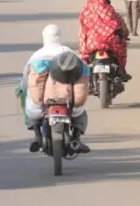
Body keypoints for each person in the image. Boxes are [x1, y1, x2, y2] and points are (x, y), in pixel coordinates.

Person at [17, 24, 91, 154]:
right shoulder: (68, 52)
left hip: (41, 102)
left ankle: (37, 136)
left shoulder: (37, 55)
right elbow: (82, 72)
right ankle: (76, 138)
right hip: (68, 100)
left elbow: (26, 79)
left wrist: (23, 89)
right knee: (82, 113)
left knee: (29, 104)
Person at [78, 0, 131, 80]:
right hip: (109, 42)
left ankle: (83, 72)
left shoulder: (86, 11)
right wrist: (125, 35)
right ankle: (121, 70)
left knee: (83, 49)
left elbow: (82, 29)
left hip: (92, 43)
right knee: (122, 47)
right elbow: (120, 25)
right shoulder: (109, 9)